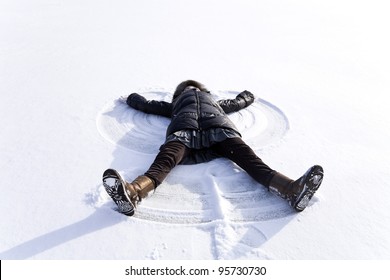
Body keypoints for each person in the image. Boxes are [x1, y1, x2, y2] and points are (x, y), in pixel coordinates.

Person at [103, 80, 324, 216]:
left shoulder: (216, 103)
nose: (192, 90)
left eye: (195, 89)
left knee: (250, 160)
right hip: (185, 133)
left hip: (219, 130)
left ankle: (292, 190)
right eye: (188, 89)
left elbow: (236, 103)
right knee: (165, 160)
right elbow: (148, 105)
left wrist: (247, 96)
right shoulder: (175, 106)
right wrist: (131, 98)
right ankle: (133, 193)